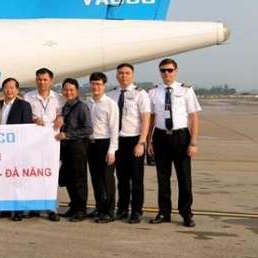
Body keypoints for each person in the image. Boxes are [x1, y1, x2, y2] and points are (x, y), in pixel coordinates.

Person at [148, 58, 201, 228]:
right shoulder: (153, 92)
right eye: (163, 70)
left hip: (181, 137)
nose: (166, 73)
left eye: (170, 70)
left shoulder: (186, 90)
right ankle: (164, 212)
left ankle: (186, 213)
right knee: (162, 178)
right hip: (161, 137)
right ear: (160, 72)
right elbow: (151, 118)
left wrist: (193, 142)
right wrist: (148, 140)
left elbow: (193, 117)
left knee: (184, 177)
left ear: (176, 71)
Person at [111, 63, 151, 224]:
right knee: (121, 178)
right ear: (117, 76)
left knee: (136, 179)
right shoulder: (112, 95)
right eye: (120, 73)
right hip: (118, 140)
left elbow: (146, 119)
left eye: (127, 73)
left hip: (134, 139)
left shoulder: (141, 94)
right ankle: (122, 209)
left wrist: (142, 142)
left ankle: (136, 210)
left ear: (132, 75)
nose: (124, 76)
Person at [24, 68, 65, 221]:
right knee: (34, 174)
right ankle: (34, 207)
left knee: (51, 175)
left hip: (53, 143)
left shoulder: (58, 98)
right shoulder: (28, 97)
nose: (42, 82)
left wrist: (61, 117)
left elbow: (62, 114)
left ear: (51, 81)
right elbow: (25, 117)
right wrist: (34, 120)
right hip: (34, 143)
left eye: (45, 80)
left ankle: (51, 208)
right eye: (39, 79)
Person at [0, 77, 33, 222]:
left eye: (12, 87)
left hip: (18, 149)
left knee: (17, 180)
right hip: (0, 150)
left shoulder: (24, 105)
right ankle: (5, 209)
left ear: (17, 90)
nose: (9, 90)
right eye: (6, 87)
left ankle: (18, 210)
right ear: (3, 90)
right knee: (3, 179)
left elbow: (26, 128)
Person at [55, 78, 92, 222]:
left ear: (76, 91)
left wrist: (68, 134)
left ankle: (81, 209)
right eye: (65, 90)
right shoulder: (65, 107)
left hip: (77, 147)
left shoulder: (81, 107)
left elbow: (88, 129)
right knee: (69, 179)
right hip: (66, 148)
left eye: (71, 90)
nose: (68, 92)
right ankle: (74, 206)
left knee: (79, 179)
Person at [86, 72, 119, 224]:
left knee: (107, 179)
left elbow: (114, 129)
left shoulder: (110, 104)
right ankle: (100, 207)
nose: (95, 87)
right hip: (91, 145)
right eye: (93, 84)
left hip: (105, 144)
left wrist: (112, 150)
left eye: (98, 84)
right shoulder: (88, 102)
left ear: (104, 85)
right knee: (96, 179)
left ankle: (110, 211)